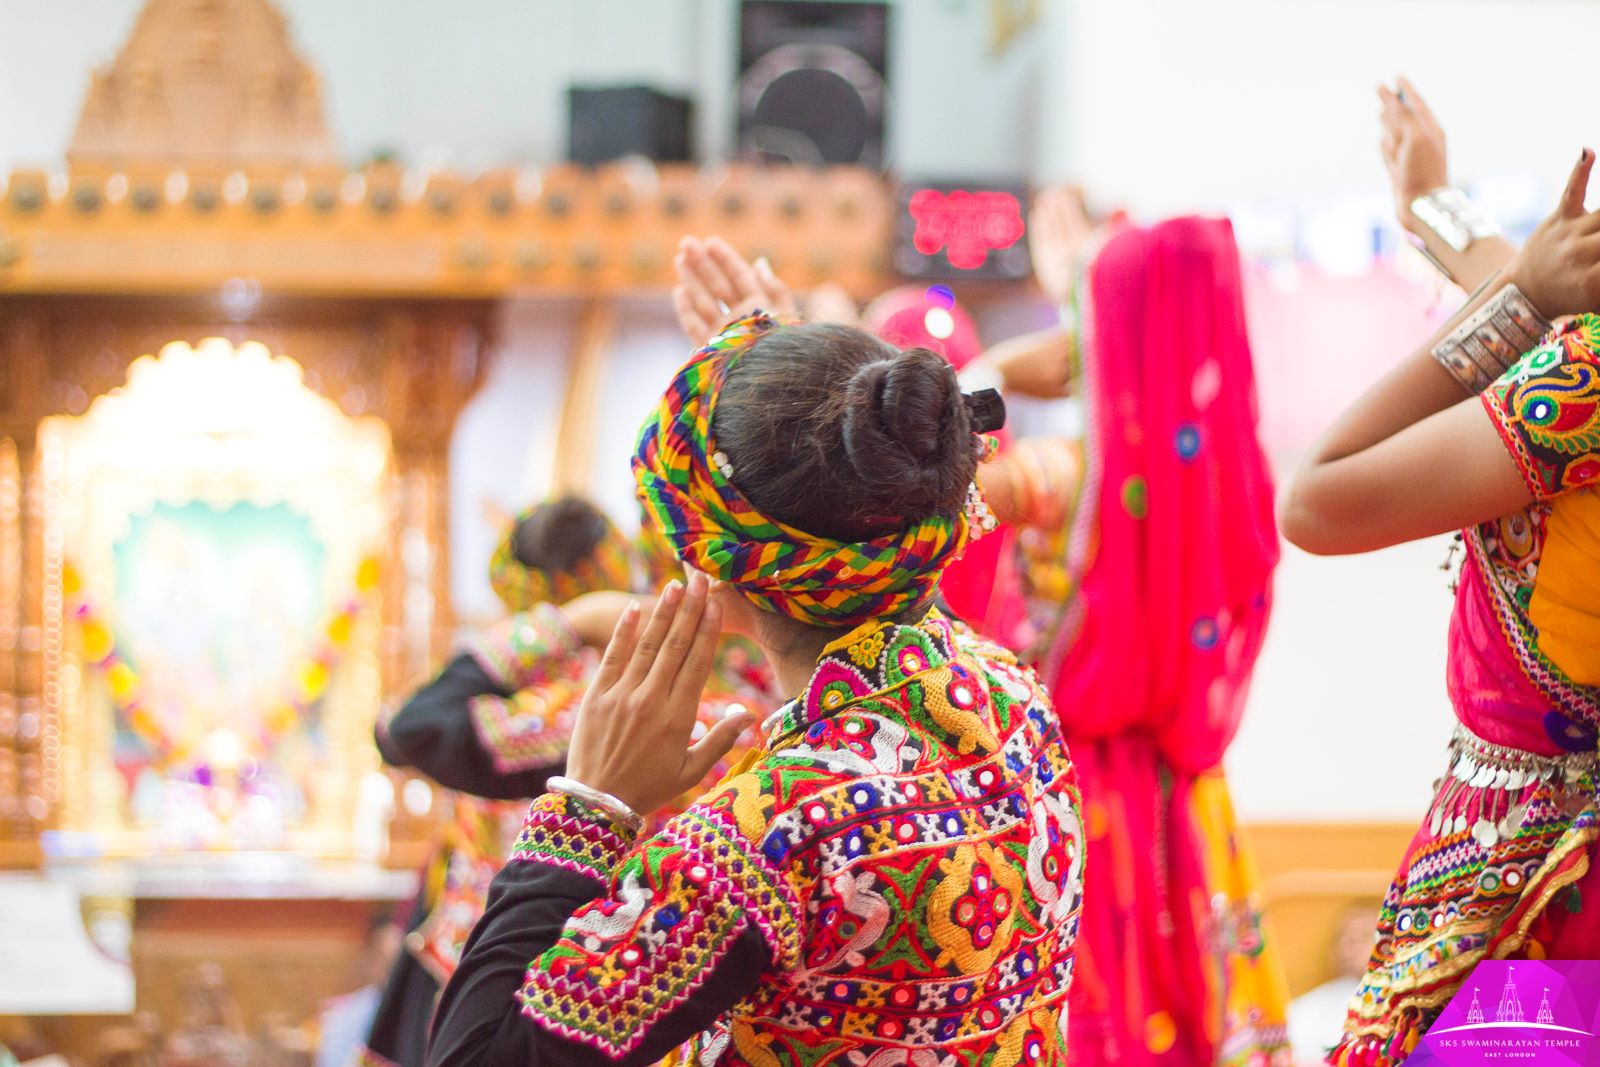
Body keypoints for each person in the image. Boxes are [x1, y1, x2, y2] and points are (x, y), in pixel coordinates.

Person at [427, 312, 1084, 1064]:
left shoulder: (775, 827)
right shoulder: (1014, 697)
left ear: (706, 557)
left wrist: (587, 808)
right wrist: (815, 397)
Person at [1281, 137, 1600, 1064]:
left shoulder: (1582, 385)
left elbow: (1319, 497)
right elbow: (1498, 259)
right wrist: (1430, 199)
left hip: (1538, 890)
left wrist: (1522, 302)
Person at [360, 497, 775, 1066]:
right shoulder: (736, 697)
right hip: (617, 975)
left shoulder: (596, 706)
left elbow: (407, 727)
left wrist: (567, 622)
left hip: (524, 968)